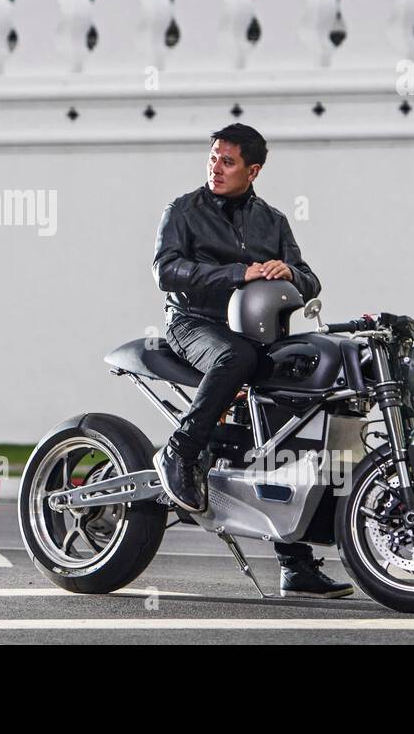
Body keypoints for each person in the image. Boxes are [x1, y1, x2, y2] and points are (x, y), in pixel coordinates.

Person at [150, 123, 354, 599]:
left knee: (299, 409)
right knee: (236, 356)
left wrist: (292, 275)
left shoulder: (274, 221)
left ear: (253, 170)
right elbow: (166, 270)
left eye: (228, 161)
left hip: (258, 334)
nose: (215, 168)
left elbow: (310, 279)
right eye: (213, 158)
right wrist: (238, 272)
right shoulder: (183, 211)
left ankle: (296, 564)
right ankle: (180, 449)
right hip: (195, 325)